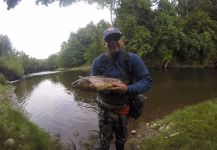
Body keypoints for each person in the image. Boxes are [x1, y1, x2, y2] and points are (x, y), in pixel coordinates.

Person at [91, 27, 152, 150]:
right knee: (104, 140)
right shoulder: (98, 62)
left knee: (121, 140)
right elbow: (93, 83)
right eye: (109, 40)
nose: (113, 42)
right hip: (104, 110)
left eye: (116, 38)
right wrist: (91, 88)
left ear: (122, 40)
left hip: (124, 110)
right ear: (105, 44)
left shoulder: (133, 59)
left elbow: (147, 81)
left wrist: (127, 89)